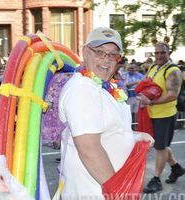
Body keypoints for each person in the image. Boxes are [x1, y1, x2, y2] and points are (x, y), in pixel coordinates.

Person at [58, 27, 153, 199]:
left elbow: (109, 131)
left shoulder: (104, 87)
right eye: (100, 52)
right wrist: (117, 191)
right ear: (85, 51)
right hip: (94, 192)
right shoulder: (82, 89)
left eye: (112, 55)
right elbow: (88, 147)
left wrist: (136, 137)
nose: (106, 60)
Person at [139, 42, 185, 193]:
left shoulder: (173, 70)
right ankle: (176, 168)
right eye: (157, 53)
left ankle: (156, 180)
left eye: (162, 53)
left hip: (165, 115)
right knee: (162, 145)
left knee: (160, 147)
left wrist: (150, 101)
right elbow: (146, 82)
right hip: (152, 113)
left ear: (168, 53)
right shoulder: (153, 67)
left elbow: (172, 95)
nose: (159, 55)